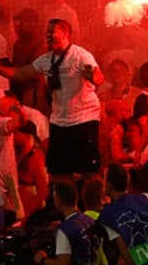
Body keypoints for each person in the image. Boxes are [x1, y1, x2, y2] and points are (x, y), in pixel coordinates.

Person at [19, 19, 102, 180]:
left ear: (64, 34)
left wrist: (92, 75)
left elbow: (97, 76)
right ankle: (66, 205)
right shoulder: (46, 59)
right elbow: (21, 73)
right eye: (47, 33)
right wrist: (0, 69)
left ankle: (94, 205)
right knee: (58, 172)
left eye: (52, 32)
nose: (48, 36)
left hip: (83, 119)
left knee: (88, 172)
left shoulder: (80, 55)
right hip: (60, 121)